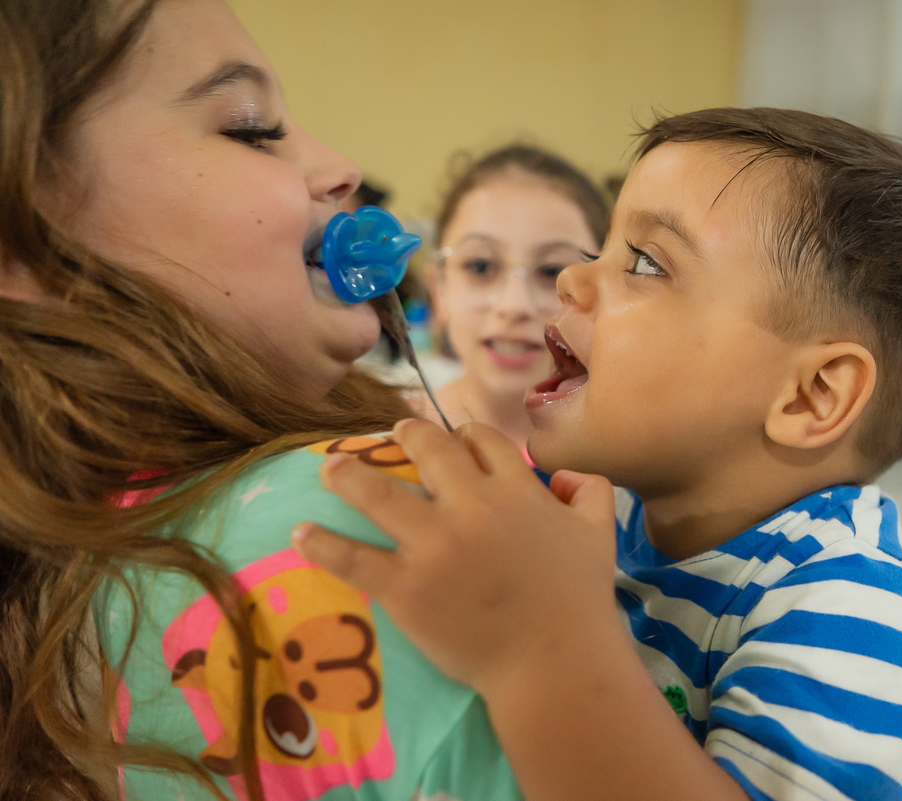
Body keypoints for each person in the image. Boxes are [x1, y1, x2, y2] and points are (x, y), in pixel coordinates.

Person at [293, 108, 902, 801]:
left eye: (644, 262)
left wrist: (534, 651)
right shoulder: (624, 498)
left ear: (811, 395)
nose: (571, 279)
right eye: (603, 246)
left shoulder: (846, 606)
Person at [0, 2, 522, 799]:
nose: (343, 166)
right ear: (21, 240)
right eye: (251, 127)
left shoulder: (66, 567)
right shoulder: (355, 514)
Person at [420, 145, 608, 448]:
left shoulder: (633, 463)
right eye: (480, 266)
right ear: (438, 290)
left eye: (552, 271)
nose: (514, 305)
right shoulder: (390, 441)